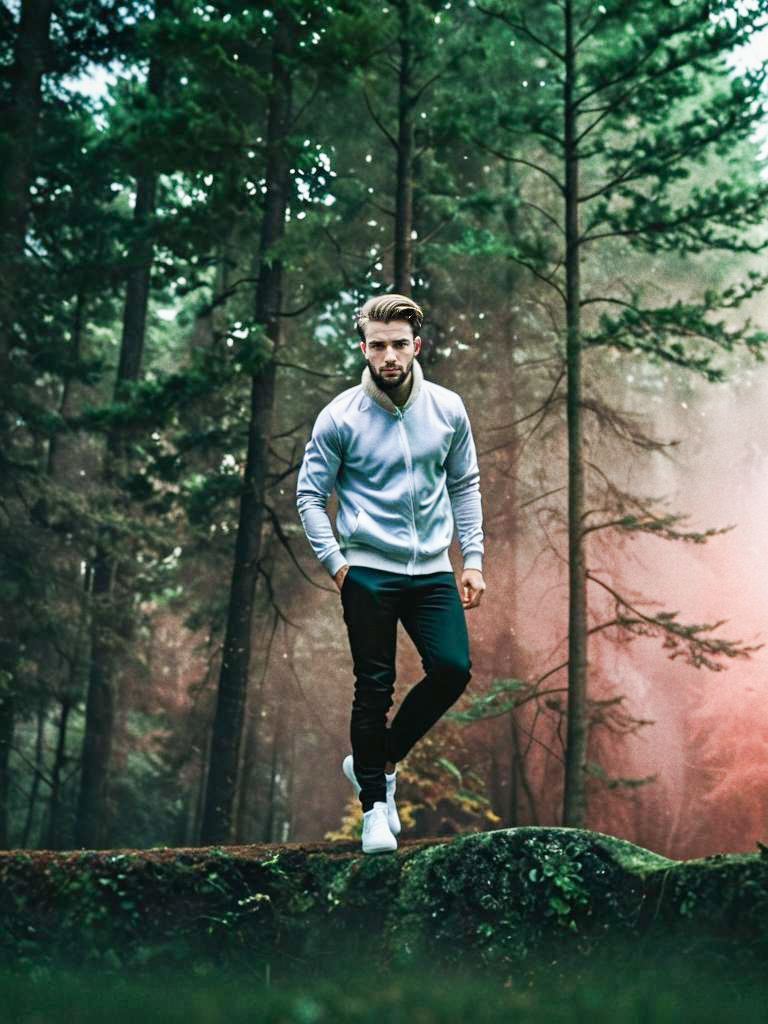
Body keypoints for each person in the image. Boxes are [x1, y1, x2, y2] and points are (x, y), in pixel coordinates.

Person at [296, 294, 486, 854]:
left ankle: (377, 762)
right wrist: (337, 566)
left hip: (431, 570)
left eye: (399, 344)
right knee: (373, 688)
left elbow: (464, 484)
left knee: (453, 669)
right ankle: (374, 809)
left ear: (417, 347)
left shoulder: (448, 409)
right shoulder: (340, 417)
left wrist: (471, 559)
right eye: (378, 345)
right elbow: (309, 495)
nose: (389, 356)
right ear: (364, 349)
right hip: (368, 572)